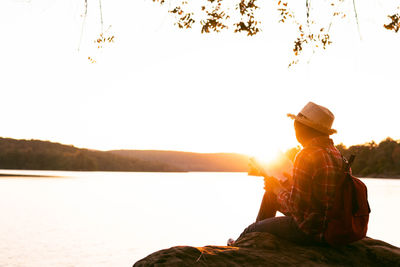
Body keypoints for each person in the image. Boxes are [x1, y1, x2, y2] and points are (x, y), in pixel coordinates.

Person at [231, 102, 344, 245]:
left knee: (252, 229)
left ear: (303, 128)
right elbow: (316, 197)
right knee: (270, 196)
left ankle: (242, 245)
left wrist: (277, 189)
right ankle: (256, 241)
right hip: (329, 223)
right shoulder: (336, 154)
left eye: (297, 125)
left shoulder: (307, 154)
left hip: (310, 229)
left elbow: (296, 209)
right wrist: (284, 186)